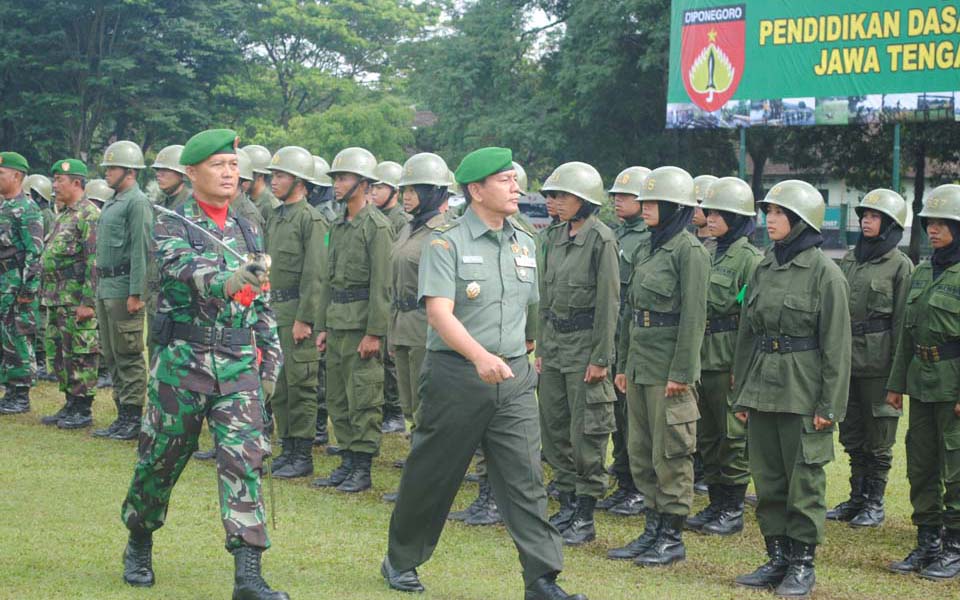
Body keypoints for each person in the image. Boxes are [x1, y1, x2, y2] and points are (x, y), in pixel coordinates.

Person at [381, 147, 586, 600]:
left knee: (526, 479)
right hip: (457, 375)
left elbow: (529, 309)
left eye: (514, 178)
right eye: (504, 180)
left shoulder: (526, 240)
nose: (516, 186)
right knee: (434, 474)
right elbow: (438, 313)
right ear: (476, 190)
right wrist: (478, 356)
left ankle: (542, 578)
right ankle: (401, 560)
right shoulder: (446, 241)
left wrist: (525, 354)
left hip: (512, 378)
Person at [120, 128, 287, 600]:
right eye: (218, 165)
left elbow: (261, 301)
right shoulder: (171, 222)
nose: (229, 173)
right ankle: (139, 535)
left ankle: (248, 577)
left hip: (237, 364)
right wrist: (230, 277)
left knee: (244, 461)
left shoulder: (248, 226)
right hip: (183, 363)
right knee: (161, 460)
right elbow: (187, 270)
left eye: (233, 165)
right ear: (192, 172)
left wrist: (270, 359)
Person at [732, 180, 851, 597]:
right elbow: (748, 334)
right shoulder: (763, 267)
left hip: (803, 391)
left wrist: (829, 407)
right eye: (768, 212)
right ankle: (777, 556)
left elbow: (837, 348)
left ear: (801, 221)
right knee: (767, 479)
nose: (770, 219)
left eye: (779, 213)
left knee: (804, 480)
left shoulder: (826, 274)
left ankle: (802, 563)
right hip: (762, 387)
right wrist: (742, 394)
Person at [608, 166, 708, 567]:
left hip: (669, 368)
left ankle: (671, 535)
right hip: (641, 365)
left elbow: (693, 318)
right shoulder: (649, 247)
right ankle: (652, 527)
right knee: (642, 449)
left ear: (673, 207)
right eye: (645, 202)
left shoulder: (690, 251)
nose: (645, 208)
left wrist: (681, 373)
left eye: (653, 202)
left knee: (672, 452)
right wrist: (624, 364)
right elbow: (634, 310)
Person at [537, 162, 619, 547]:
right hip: (553, 346)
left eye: (563, 196)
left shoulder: (601, 239)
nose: (556, 203)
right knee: (554, 427)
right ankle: (567, 501)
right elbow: (544, 296)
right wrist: (540, 345)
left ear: (585, 200)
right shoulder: (553, 237)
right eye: (552, 196)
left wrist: (601, 357)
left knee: (586, 431)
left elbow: (609, 303)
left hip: (585, 345)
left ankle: (585, 512)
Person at [886, 184, 960, 580]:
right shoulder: (924, 270)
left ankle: (955, 546)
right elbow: (907, 337)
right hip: (922, 382)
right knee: (921, 464)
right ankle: (928, 541)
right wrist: (896, 384)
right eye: (930, 222)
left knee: (957, 467)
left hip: (953, 385)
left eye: (943, 224)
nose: (933, 229)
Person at [829, 189, 912, 529]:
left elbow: (902, 323)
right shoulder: (849, 259)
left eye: (874, 216)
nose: (866, 220)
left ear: (890, 223)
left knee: (878, 438)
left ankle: (874, 503)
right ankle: (856, 498)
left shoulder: (900, 266)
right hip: (847, 361)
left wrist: (897, 376)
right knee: (852, 434)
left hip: (879, 366)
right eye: (864, 215)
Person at [685, 177, 762, 536]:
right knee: (708, 435)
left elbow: (750, 317)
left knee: (732, 437)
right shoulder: (707, 252)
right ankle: (716, 503)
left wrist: (742, 367)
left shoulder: (750, 260)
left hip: (729, 357)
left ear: (739, 218)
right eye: (710, 211)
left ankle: (732, 508)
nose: (710, 218)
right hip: (703, 356)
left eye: (720, 213)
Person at [312, 147, 391, 493]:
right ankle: (346, 457)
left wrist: (374, 332)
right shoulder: (338, 224)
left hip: (361, 325)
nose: (337, 184)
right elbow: (327, 280)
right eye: (335, 178)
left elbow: (382, 284)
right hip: (338, 321)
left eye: (343, 177)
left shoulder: (377, 226)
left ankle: (363, 464)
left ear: (363, 183)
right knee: (338, 396)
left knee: (364, 396)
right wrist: (323, 326)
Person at [381, 152, 452, 503]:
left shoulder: (446, 231)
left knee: (429, 408)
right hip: (404, 325)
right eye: (405, 189)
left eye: (415, 189)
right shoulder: (408, 228)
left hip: (429, 326)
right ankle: (418, 476)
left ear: (435, 193)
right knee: (411, 408)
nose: (407, 196)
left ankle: (429, 482)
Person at [264, 145, 327, 479]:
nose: (274, 182)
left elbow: (315, 274)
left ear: (300, 181)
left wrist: (305, 317)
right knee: (279, 383)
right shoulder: (276, 216)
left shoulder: (310, 219)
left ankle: (302, 452)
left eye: (281, 176)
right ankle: (287, 446)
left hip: (295, 311)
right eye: (273, 175)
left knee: (300, 382)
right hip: (273, 307)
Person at [599, 166, 650, 516]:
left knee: (635, 419)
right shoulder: (616, 235)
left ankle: (639, 487)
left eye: (626, 196)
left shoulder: (649, 239)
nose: (618, 201)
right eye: (615, 195)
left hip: (635, 336)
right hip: (614, 336)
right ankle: (624, 478)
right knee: (616, 415)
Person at [92, 140, 151, 440]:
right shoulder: (116, 201)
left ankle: (131, 415)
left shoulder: (137, 202)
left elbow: (141, 250)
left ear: (129, 171)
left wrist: (137, 293)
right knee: (112, 353)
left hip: (124, 287)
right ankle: (121, 413)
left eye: (112, 168)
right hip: (107, 287)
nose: (107, 172)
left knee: (128, 352)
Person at [39, 159, 100, 429]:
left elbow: (94, 261)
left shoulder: (89, 215)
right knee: (60, 352)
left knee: (81, 351)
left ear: (76, 182)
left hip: (76, 299)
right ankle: (69, 402)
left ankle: (82, 407)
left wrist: (88, 302)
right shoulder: (64, 214)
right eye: (53, 180)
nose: (54, 185)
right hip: (56, 298)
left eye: (59, 180)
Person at [0, 152, 44, 415]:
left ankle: (20, 393)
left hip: (17, 281)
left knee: (18, 334)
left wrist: (28, 289)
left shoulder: (27, 209)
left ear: (17, 176)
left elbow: (34, 252)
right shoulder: (3, 207)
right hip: (3, 280)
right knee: (4, 335)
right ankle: (9, 388)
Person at [370, 160, 410, 435]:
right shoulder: (381, 217)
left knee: (391, 359)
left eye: (380, 186)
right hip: (386, 295)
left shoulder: (398, 220)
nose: (373, 191)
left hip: (397, 297)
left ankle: (395, 411)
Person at [24, 173, 56, 382]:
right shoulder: (45, 213)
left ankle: (41, 360)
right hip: (41, 270)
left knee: (40, 316)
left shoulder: (44, 214)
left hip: (41, 271)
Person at [241, 144, 280, 222]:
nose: (242, 179)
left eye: (247, 174)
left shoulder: (271, 206)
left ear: (260, 175)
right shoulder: (245, 198)